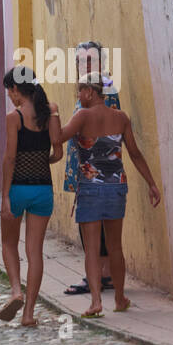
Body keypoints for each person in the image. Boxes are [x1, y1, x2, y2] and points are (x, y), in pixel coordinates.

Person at [56, 74, 161, 318]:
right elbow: (134, 153)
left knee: (92, 249)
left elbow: (58, 137)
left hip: (90, 189)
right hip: (116, 188)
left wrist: (53, 115)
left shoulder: (82, 116)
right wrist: (151, 183)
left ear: (90, 93)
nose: (78, 97)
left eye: (80, 92)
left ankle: (95, 302)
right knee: (115, 247)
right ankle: (120, 297)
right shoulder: (121, 118)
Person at [0, 67, 63, 326]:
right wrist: (41, 160)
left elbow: (10, 157)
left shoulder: (14, 117)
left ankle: (16, 291)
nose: (10, 97)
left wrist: (4, 196)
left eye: (9, 92)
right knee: (35, 251)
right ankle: (29, 314)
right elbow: (57, 152)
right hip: (43, 190)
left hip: (18, 189)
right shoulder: (50, 112)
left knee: (8, 244)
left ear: (15, 90)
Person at [63, 41, 120, 296]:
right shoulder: (87, 88)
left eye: (90, 60)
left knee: (92, 224)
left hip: (97, 169)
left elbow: (108, 131)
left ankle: (99, 275)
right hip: (86, 167)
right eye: (80, 61)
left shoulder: (105, 88)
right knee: (93, 224)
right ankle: (102, 275)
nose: (84, 64)